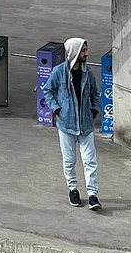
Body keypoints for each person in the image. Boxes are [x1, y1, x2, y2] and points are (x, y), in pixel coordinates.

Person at [42, 37, 102, 211]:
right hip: (66, 124)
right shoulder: (59, 72)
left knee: (90, 161)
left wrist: (94, 110)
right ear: (74, 52)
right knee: (69, 160)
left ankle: (92, 195)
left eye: (86, 49)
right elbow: (47, 90)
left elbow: (94, 93)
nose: (87, 53)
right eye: (83, 50)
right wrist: (57, 109)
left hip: (85, 125)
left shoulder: (87, 73)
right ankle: (73, 190)